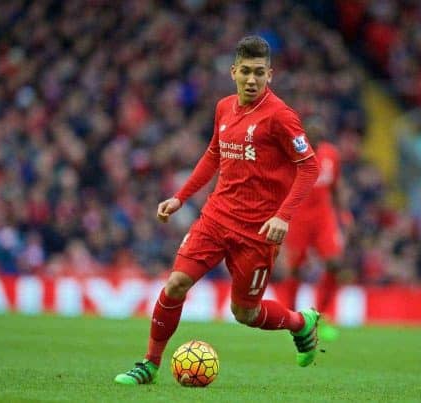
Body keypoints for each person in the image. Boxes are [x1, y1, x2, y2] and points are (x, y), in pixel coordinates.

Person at [114, 35, 321, 385]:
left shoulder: (282, 118)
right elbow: (214, 154)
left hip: (257, 232)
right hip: (216, 217)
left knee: (245, 312)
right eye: (245, 72)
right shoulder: (224, 107)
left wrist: (282, 216)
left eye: (259, 73)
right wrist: (181, 197)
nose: (252, 80)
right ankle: (149, 364)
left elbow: (310, 167)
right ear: (233, 72)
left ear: (270, 74)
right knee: (176, 283)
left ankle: (302, 323)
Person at [278, 116, 348, 342]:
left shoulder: (331, 155)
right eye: (313, 134)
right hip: (297, 218)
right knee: (294, 269)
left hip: (323, 217)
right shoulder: (292, 154)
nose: (317, 138)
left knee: (335, 263)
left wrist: (344, 214)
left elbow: (336, 187)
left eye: (320, 134)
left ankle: (321, 317)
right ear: (305, 135)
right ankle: (291, 319)